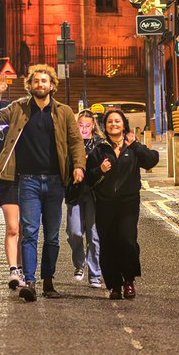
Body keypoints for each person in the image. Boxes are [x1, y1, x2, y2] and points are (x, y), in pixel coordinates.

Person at [0, 64, 86, 302]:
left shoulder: (63, 112)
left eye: (44, 81)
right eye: (36, 81)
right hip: (27, 181)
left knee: (52, 236)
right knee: (29, 232)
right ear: (29, 86)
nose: (40, 85)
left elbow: (75, 142)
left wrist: (79, 166)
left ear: (52, 85)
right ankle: (29, 281)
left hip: (54, 182)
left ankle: (48, 281)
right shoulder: (18, 107)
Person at [87, 108, 159, 299]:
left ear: (124, 124)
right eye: (110, 122)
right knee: (108, 243)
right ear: (105, 126)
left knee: (127, 240)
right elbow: (88, 177)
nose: (113, 125)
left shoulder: (132, 147)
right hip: (105, 203)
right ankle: (114, 285)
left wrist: (136, 145)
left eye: (117, 121)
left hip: (128, 202)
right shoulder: (100, 149)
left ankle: (129, 280)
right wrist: (100, 170)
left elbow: (151, 160)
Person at [66, 110, 103, 288]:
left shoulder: (100, 144)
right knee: (74, 233)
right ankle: (80, 263)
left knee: (94, 236)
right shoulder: (71, 143)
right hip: (74, 193)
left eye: (87, 125)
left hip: (94, 194)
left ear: (93, 126)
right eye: (81, 125)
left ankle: (95, 274)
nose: (84, 129)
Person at [0, 126, 24, 290]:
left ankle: (23, 268)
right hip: (9, 184)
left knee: (25, 230)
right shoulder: (5, 132)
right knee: (12, 229)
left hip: (31, 183)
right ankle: (13, 270)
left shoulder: (37, 128)